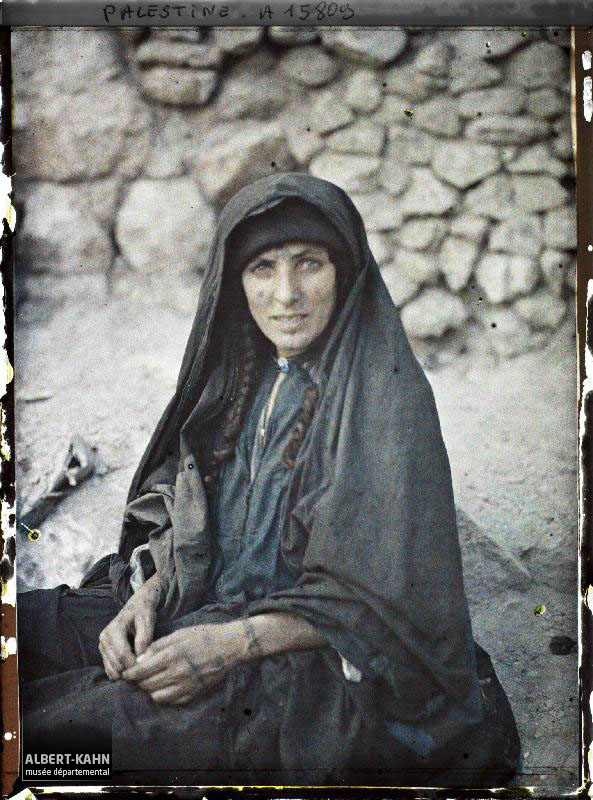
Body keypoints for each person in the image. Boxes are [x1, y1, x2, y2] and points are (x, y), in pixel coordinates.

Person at [18, 173, 520, 787]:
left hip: (309, 667)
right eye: (262, 268)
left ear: (344, 271)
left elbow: (388, 608)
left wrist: (231, 646)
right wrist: (147, 595)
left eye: (309, 263)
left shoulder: (386, 401)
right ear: (236, 281)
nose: (287, 295)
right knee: (25, 628)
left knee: (52, 740)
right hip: (202, 602)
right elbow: (188, 513)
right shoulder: (240, 373)